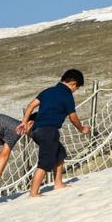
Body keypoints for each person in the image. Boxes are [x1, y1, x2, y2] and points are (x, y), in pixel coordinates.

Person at [16, 69, 90, 198]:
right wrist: (82, 129)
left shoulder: (48, 91)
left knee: (59, 153)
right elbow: (73, 117)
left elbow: (30, 106)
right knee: (45, 161)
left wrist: (24, 121)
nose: (75, 90)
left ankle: (58, 183)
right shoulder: (67, 96)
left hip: (37, 130)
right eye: (76, 88)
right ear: (73, 83)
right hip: (48, 131)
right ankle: (33, 193)